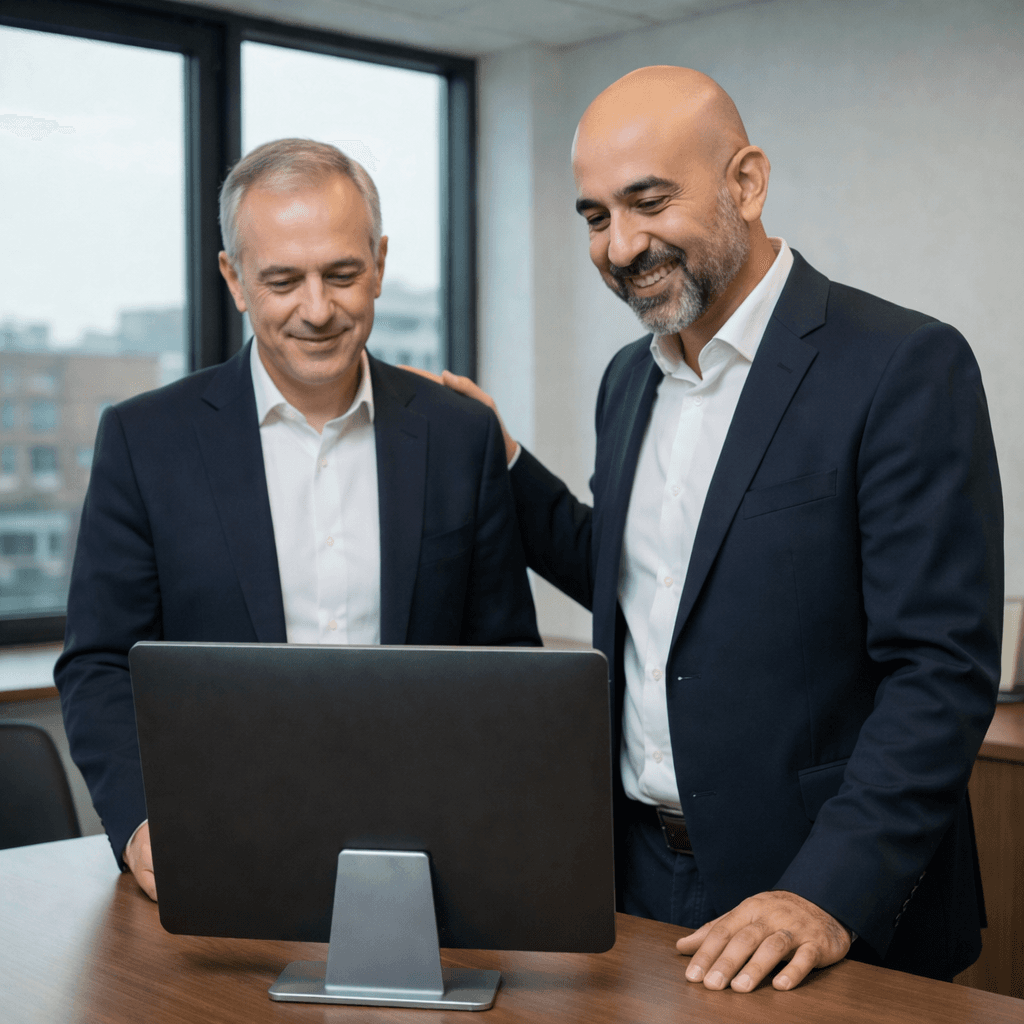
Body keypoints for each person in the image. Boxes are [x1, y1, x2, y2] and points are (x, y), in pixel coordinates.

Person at [419, 67, 1003, 991]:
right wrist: (506, 460)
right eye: (596, 216)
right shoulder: (628, 379)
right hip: (638, 881)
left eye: (649, 202)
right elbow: (643, 577)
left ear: (747, 182)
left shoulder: (901, 365)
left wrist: (822, 894)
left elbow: (940, 672)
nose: (621, 246)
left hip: (822, 898)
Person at [55, 138, 540, 902]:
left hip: (429, 857)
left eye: (342, 274)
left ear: (379, 263)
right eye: (283, 280)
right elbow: (100, 662)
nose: (317, 310)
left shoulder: (460, 435)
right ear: (234, 279)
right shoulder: (144, 440)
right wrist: (141, 823)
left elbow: (507, 664)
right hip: (220, 853)